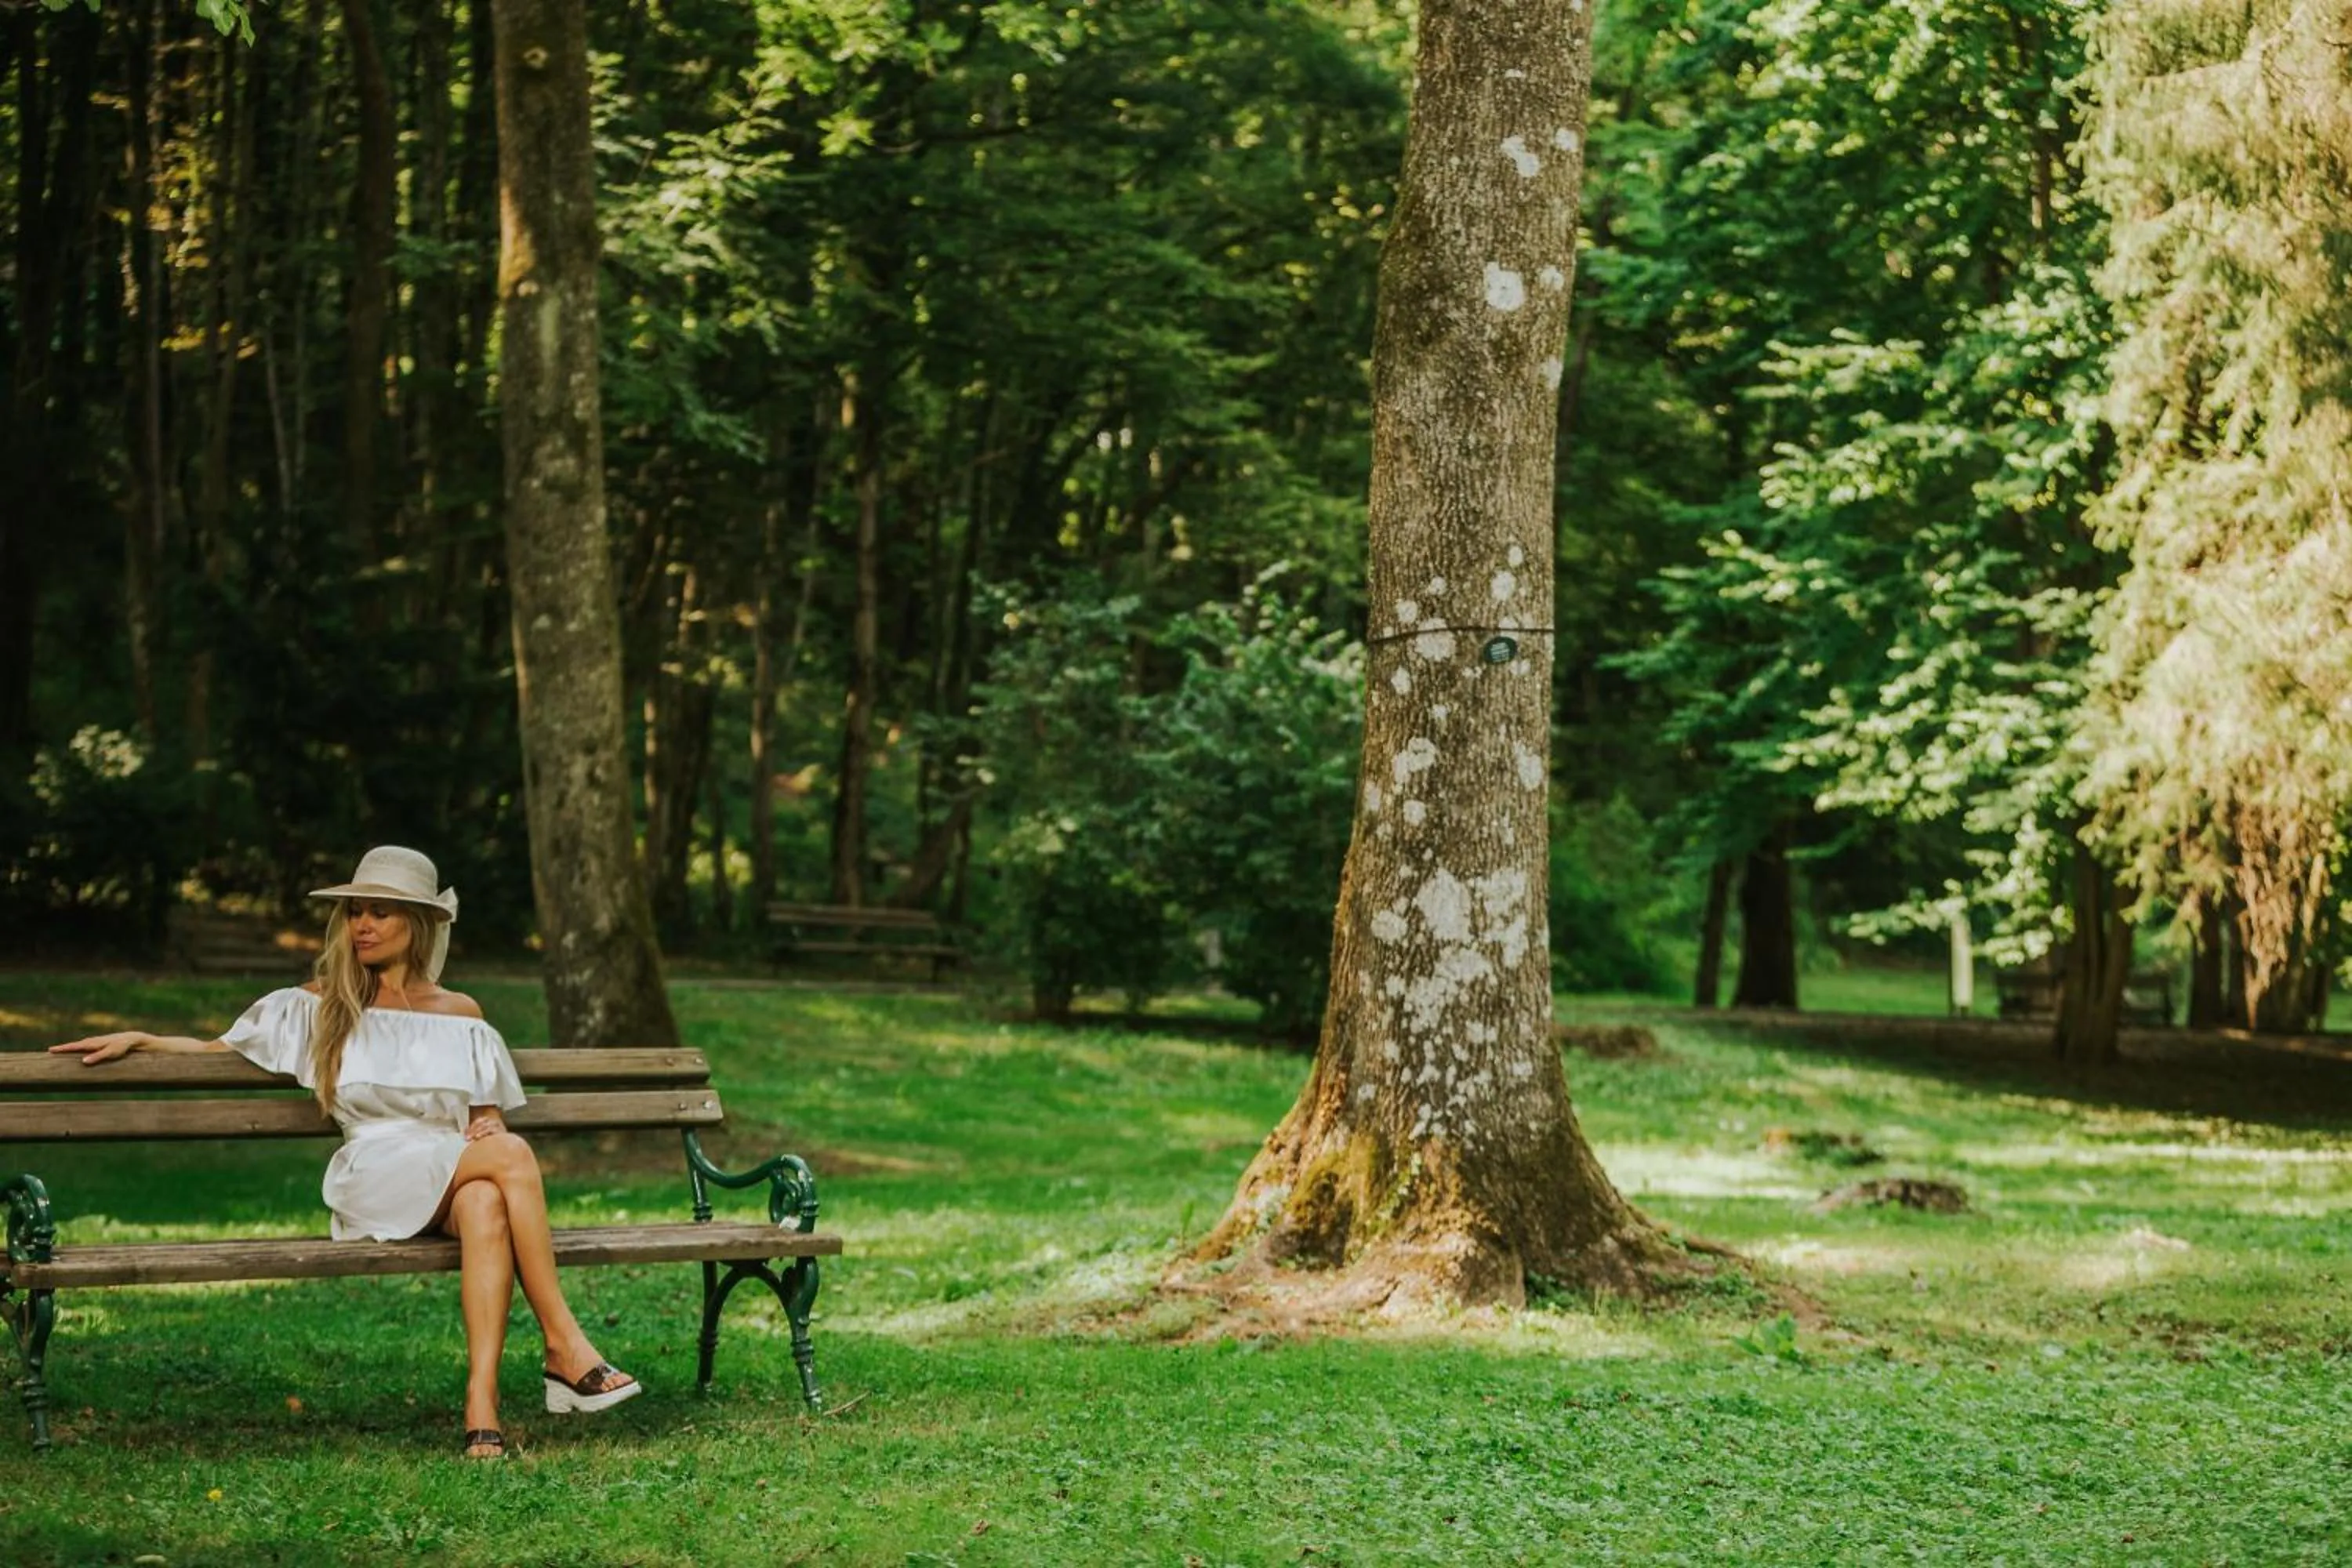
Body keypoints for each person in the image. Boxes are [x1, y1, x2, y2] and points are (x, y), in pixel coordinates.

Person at [48, 846, 638, 1459]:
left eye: (380, 913)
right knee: (513, 1157)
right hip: (375, 1170)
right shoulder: (321, 1004)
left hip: (449, 1169)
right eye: (356, 912)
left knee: (489, 1200)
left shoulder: (462, 1015)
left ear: (419, 925)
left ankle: (481, 1407)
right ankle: (563, 1345)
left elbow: (481, 1112)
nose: (362, 925)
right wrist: (142, 1038)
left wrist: (486, 1118)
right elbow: (216, 1050)